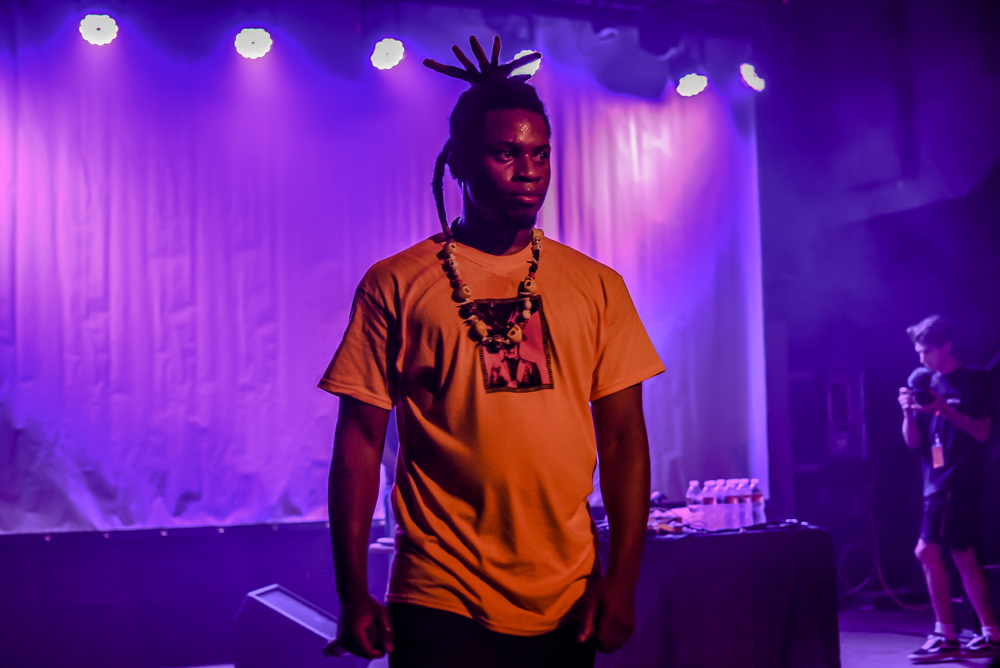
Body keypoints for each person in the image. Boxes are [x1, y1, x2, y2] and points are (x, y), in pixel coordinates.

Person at [318, 36, 664, 667]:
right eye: (505, 153)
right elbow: (359, 444)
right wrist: (351, 592)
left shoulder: (596, 285)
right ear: (458, 163)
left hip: (567, 591)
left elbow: (622, 441)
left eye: (540, 154)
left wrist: (622, 580)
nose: (528, 171)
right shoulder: (397, 283)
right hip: (439, 589)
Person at [898, 314, 999, 663]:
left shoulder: (974, 380)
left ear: (946, 346)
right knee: (962, 554)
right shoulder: (925, 384)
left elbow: (983, 432)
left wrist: (944, 409)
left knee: (927, 552)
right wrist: (909, 413)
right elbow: (913, 443)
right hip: (934, 481)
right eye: (918, 353)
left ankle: (946, 634)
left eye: (927, 351)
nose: (921, 360)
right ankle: (989, 633)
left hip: (960, 478)